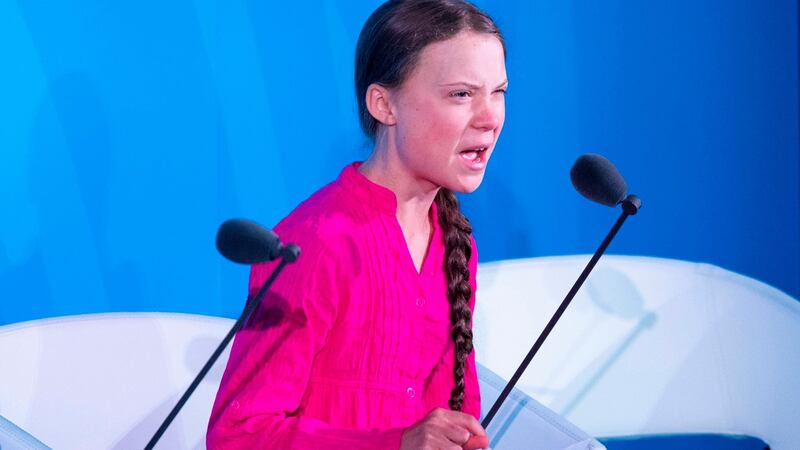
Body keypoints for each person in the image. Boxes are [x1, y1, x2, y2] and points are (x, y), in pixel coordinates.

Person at [206, 0, 506, 448]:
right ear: (384, 104)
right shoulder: (316, 242)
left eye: (498, 92)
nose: (490, 118)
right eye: (461, 94)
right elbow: (237, 435)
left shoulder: (455, 242)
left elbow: (456, 416)